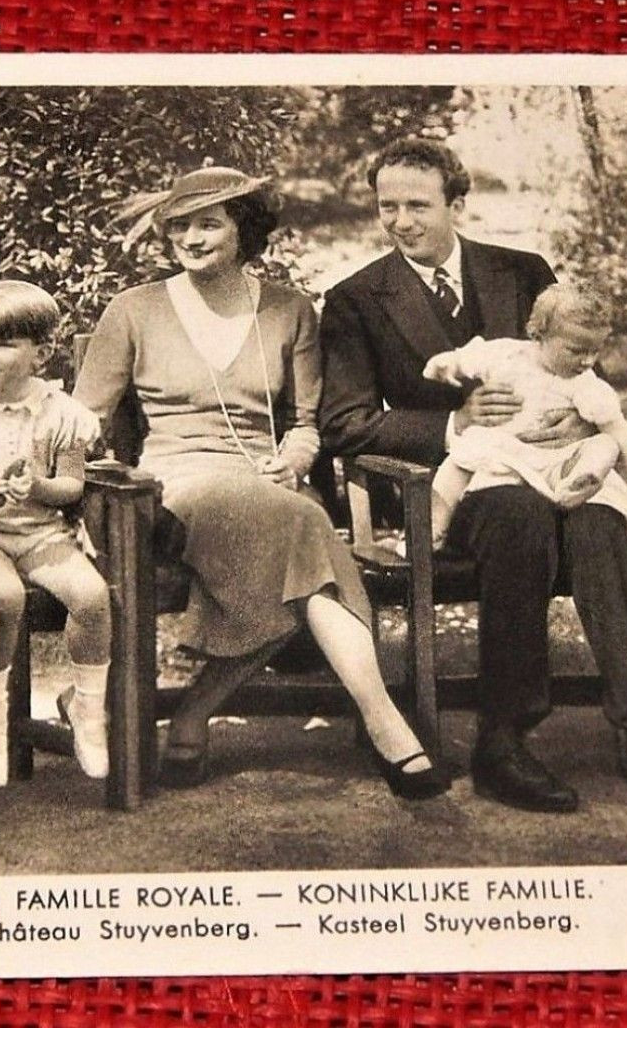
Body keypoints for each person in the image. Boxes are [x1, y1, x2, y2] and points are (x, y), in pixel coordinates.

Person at [318, 139, 627, 815]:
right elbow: (345, 422)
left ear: (455, 204)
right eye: (386, 206)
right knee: (518, 515)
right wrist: (453, 424)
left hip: (558, 465)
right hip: (455, 489)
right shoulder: (356, 299)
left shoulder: (521, 272)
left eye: (417, 205)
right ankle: (503, 737)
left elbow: (580, 364)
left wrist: (575, 427)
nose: (400, 220)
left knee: (600, 524)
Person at [75, 165, 447, 799]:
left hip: (268, 484)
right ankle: (386, 721)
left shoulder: (288, 309)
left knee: (295, 544)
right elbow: (84, 417)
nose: (190, 237)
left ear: (243, 230)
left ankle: (193, 713)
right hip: (173, 486)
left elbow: (307, 424)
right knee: (306, 531)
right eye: (180, 225)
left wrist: (297, 457)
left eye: (208, 223)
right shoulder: (132, 310)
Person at [0, 279, 111, 783]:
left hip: (40, 534)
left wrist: (37, 485)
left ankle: (87, 708)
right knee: (5, 599)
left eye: (3, 343)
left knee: (92, 596)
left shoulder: (61, 413)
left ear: (40, 353)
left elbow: (72, 487)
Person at [421, 284, 627, 550]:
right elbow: (467, 357)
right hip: (507, 451)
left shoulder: (584, 383)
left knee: (605, 445)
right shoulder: (506, 353)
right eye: (577, 350)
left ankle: (579, 484)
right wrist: (444, 364)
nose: (587, 361)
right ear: (540, 333)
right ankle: (436, 522)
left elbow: (618, 428)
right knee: (463, 455)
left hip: (557, 461)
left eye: (595, 351)